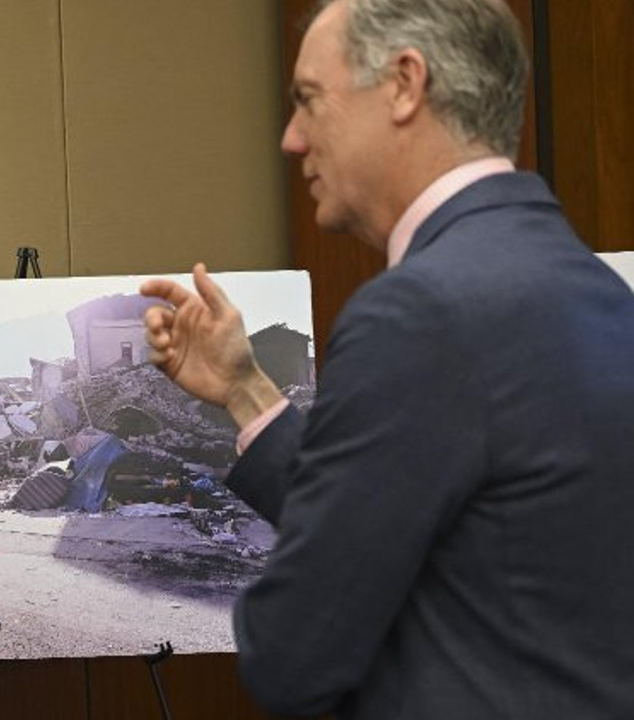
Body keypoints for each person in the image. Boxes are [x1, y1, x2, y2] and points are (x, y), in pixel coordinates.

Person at [141, 1, 634, 718]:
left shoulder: (420, 312)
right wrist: (245, 389)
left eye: (309, 100)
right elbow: (454, 542)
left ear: (405, 83)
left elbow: (291, 655)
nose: (290, 138)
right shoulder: (592, 289)